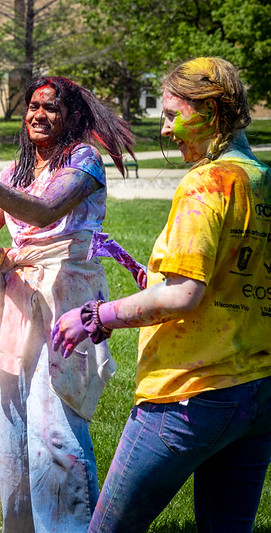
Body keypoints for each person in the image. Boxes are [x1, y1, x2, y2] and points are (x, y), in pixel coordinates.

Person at [52, 57, 271, 532]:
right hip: (258, 394)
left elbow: (185, 296)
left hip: (189, 395)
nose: (166, 130)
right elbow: (233, 279)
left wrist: (96, 316)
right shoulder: (263, 180)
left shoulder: (207, 182)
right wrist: (152, 277)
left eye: (173, 114)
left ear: (211, 111)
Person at [0, 76, 135, 532]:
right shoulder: (17, 170)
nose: (39, 114)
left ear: (71, 117)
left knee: (55, 432)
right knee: (9, 432)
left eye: (51, 107)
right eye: (33, 106)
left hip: (65, 301)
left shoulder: (83, 161)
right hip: (15, 301)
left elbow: (44, 210)